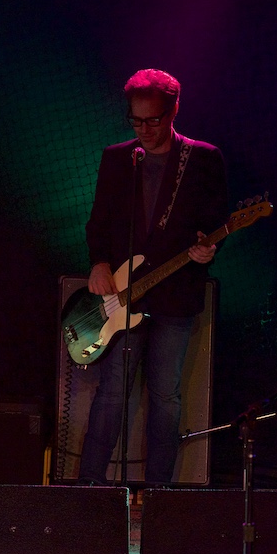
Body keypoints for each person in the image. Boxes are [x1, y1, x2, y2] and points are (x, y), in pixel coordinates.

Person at [78, 69, 228, 486]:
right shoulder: (117, 157)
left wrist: (207, 249)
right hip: (126, 291)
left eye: (154, 120)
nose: (144, 130)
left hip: (176, 295)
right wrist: (99, 263)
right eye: (136, 120)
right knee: (111, 393)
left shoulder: (203, 158)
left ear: (174, 110)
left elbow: (214, 224)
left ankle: (160, 494)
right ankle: (88, 489)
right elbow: (99, 222)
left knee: (165, 397)